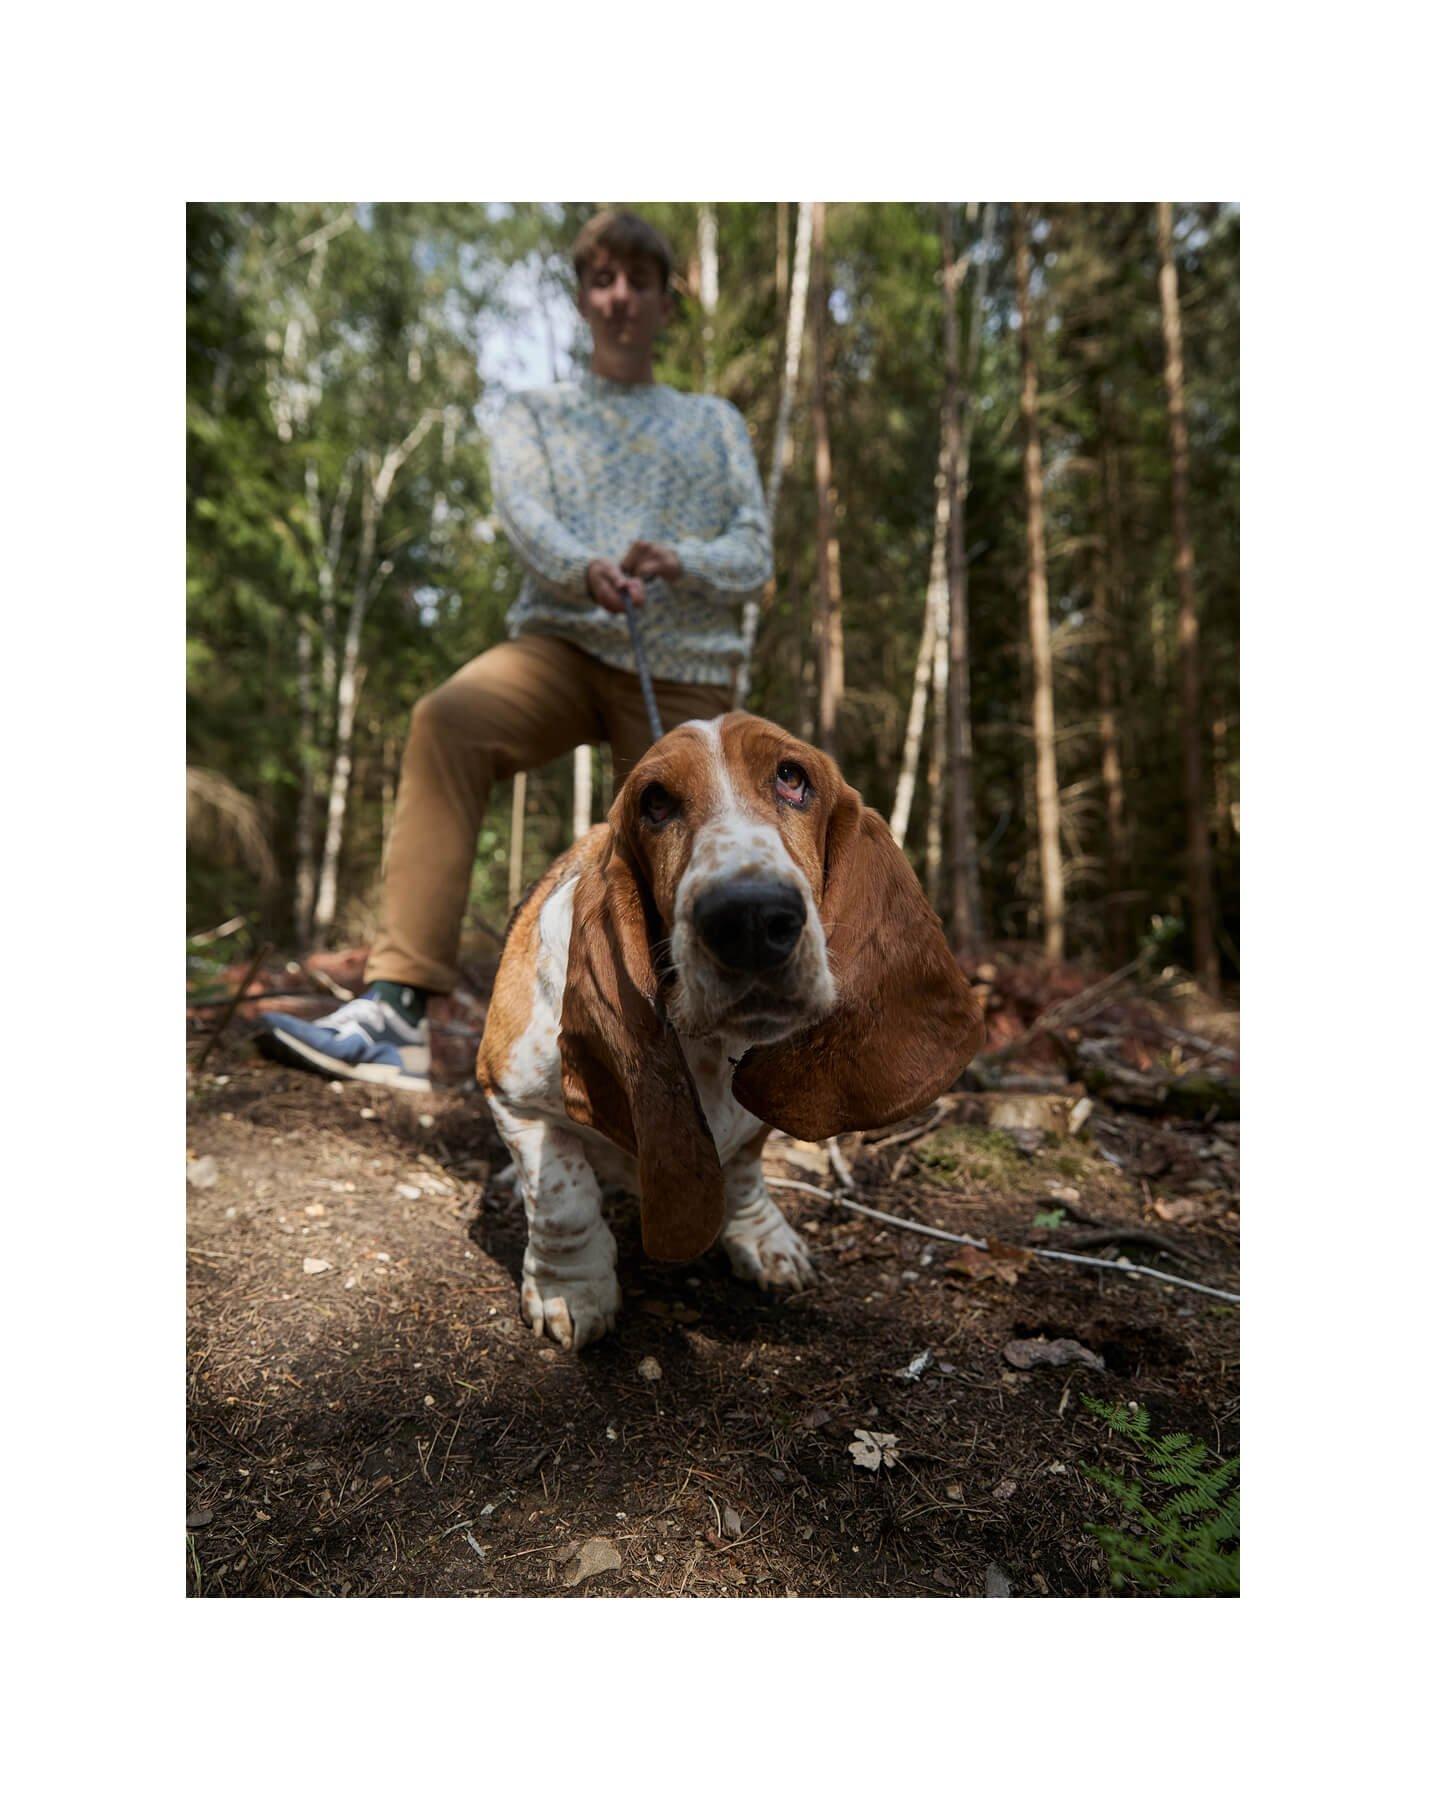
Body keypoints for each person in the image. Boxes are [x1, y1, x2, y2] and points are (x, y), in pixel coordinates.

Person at [258, 208, 773, 1092]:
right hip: (564, 642)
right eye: (602, 280)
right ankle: (396, 1012)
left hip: (682, 665)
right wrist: (589, 568)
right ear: (582, 297)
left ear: (664, 301)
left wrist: (681, 560)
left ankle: (725, 1065)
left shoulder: (714, 422)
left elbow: (755, 552)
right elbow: (528, 520)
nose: (619, 298)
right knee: (448, 721)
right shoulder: (535, 413)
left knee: (693, 841)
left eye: (638, 283)